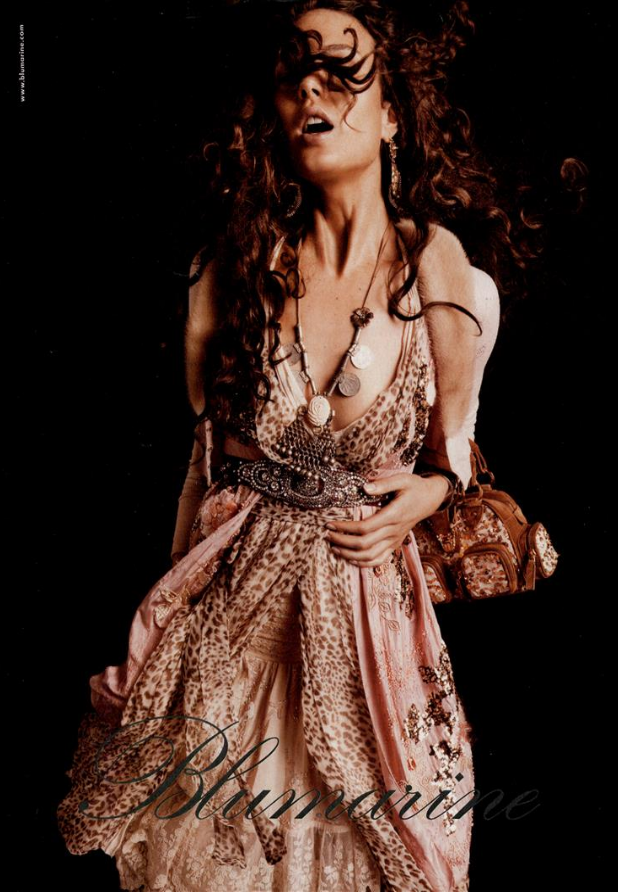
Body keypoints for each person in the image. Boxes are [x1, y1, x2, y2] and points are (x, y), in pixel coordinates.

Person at [57, 2, 505, 889]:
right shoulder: (230, 271)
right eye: (295, 78)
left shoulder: (445, 276)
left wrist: (430, 491)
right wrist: (154, 647)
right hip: (231, 643)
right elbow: (201, 476)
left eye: (342, 75)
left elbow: (456, 454)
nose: (313, 93)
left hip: (370, 652)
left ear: (393, 116)